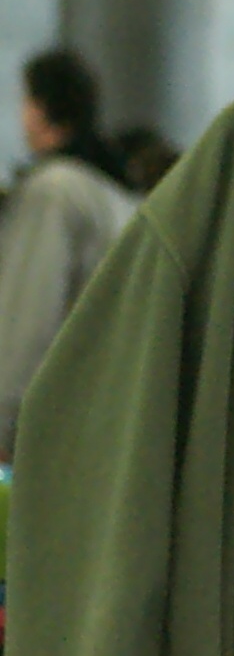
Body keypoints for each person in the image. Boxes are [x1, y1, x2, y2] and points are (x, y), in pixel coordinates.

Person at [0, 50, 136, 459]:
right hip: (108, 429)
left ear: (40, 109)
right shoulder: (115, 195)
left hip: (57, 437)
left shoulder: (54, 192)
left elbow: (30, 319)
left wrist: (4, 427)